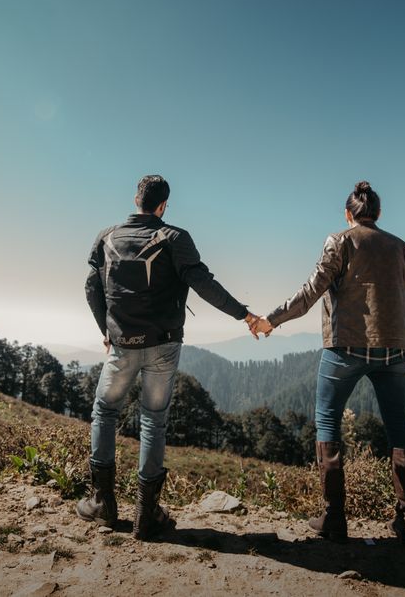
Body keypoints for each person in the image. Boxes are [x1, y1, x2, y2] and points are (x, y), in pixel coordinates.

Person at [78, 175, 261, 540]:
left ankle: (103, 503)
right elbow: (204, 284)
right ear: (163, 206)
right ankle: (146, 516)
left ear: (136, 199)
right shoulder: (175, 238)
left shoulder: (107, 237)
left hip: (123, 345)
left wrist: (106, 331)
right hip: (163, 345)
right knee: (153, 422)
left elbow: (91, 286)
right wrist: (245, 315)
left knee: (105, 411)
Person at [251, 181, 405, 546]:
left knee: (328, 420)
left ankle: (334, 518)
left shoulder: (340, 241)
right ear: (378, 214)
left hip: (345, 347)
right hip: (394, 349)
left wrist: (271, 320)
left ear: (349, 214)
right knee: (399, 427)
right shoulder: (403, 249)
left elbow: (311, 290)